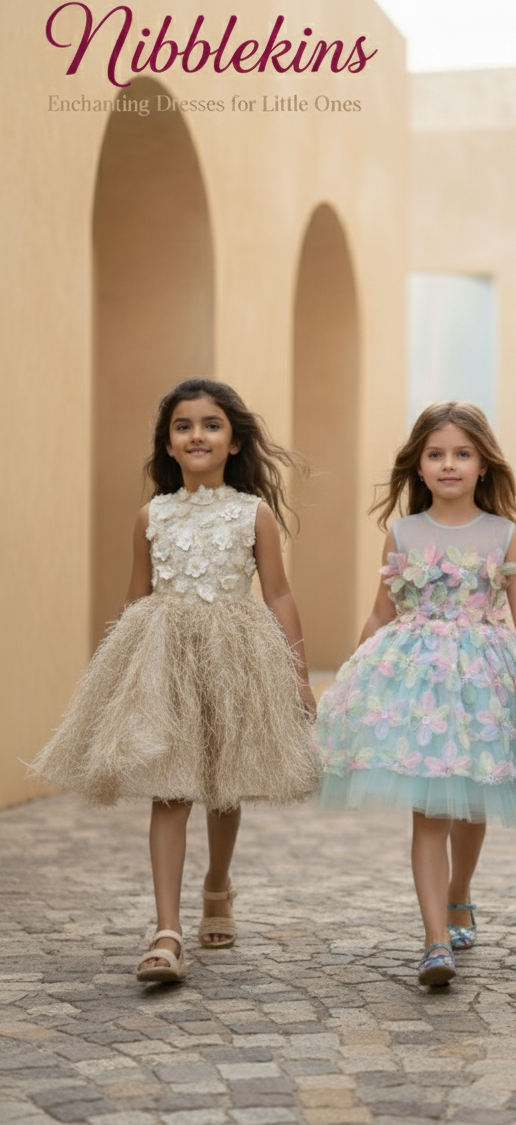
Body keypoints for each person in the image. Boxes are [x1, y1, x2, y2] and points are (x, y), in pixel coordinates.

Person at [31, 378, 318, 983]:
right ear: (168, 442)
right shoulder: (151, 515)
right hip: (164, 658)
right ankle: (167, 932)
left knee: (223, 780)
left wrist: (298, 676)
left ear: (234, 441)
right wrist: (120, 679)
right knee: (170, 787)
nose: (197, 435)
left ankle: (217, 885)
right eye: (183, 426)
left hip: (233, 657)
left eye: (211, 425)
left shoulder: (253, 513)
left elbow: (280, 594)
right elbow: (136, 599)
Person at [316, 401, 516, 986]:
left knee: (474, 801)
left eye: (461, 454)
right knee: (429, 810)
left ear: (484, 464)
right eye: (436, 455)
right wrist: (354, 676)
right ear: (419, 466)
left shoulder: (503, 535)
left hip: (483, 683)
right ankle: (435, 941)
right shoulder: (402, 533)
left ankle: (459, 894)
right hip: (418, 690)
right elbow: (382, 613)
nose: (448, 464)